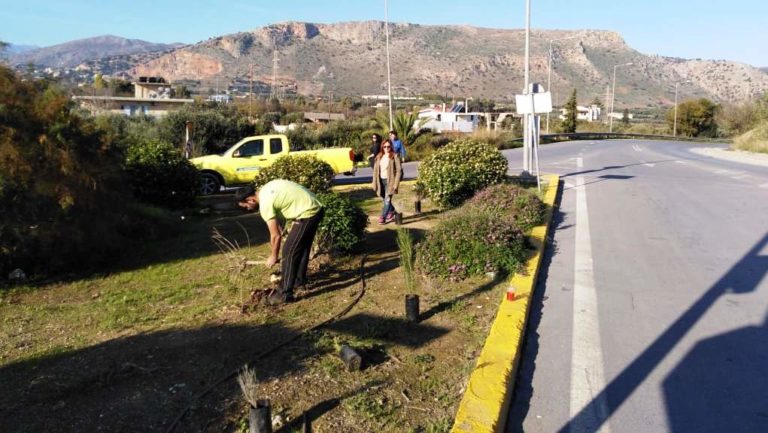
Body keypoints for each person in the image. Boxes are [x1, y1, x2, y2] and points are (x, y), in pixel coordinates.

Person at [238, 179, 325, 305]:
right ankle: (298, 282)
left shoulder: (265, 205)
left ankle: (284, 294)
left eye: (245, 206)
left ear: (250, 199)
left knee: (288, 252)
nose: (247, 209)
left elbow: (275, 236)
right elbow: (284, 201)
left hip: (308, 213)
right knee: (302, 247)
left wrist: (273, 256)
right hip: (316, 208)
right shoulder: (266, 189)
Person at [371, 139, 403, 224]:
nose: (386, 148)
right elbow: (375, 171)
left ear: (391, 147)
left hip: (390, 182)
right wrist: (374, 182)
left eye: (388, 146)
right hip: (380, 181)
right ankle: (392, 211)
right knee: (384, 198)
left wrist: (396, 184)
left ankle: (383, 217)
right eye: (384, 146)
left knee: (387, 200)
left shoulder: (395, 156)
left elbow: (399, 171)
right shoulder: (379, 156)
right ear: (382, 147)